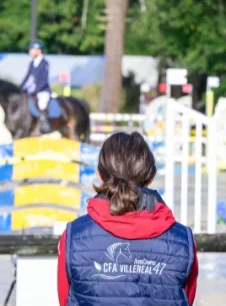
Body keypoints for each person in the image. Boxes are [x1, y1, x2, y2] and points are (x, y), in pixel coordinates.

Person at [57, 132, 198, 305]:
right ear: (151, 177)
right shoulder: (183, 240)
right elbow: (187, 299)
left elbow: (65, 300)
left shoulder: (73, 236)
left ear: (99, 176)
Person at [20, 40, 51, 133]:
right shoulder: (31, 63)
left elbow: (44, 80)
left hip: (42, 90)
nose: (30, 52)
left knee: (42, 103)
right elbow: (27, 77)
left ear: (38, 50)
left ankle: (44, 123)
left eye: (32, 49)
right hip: (31, 90)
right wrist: (20, 88)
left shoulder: (45, 63)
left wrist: (36, 90)